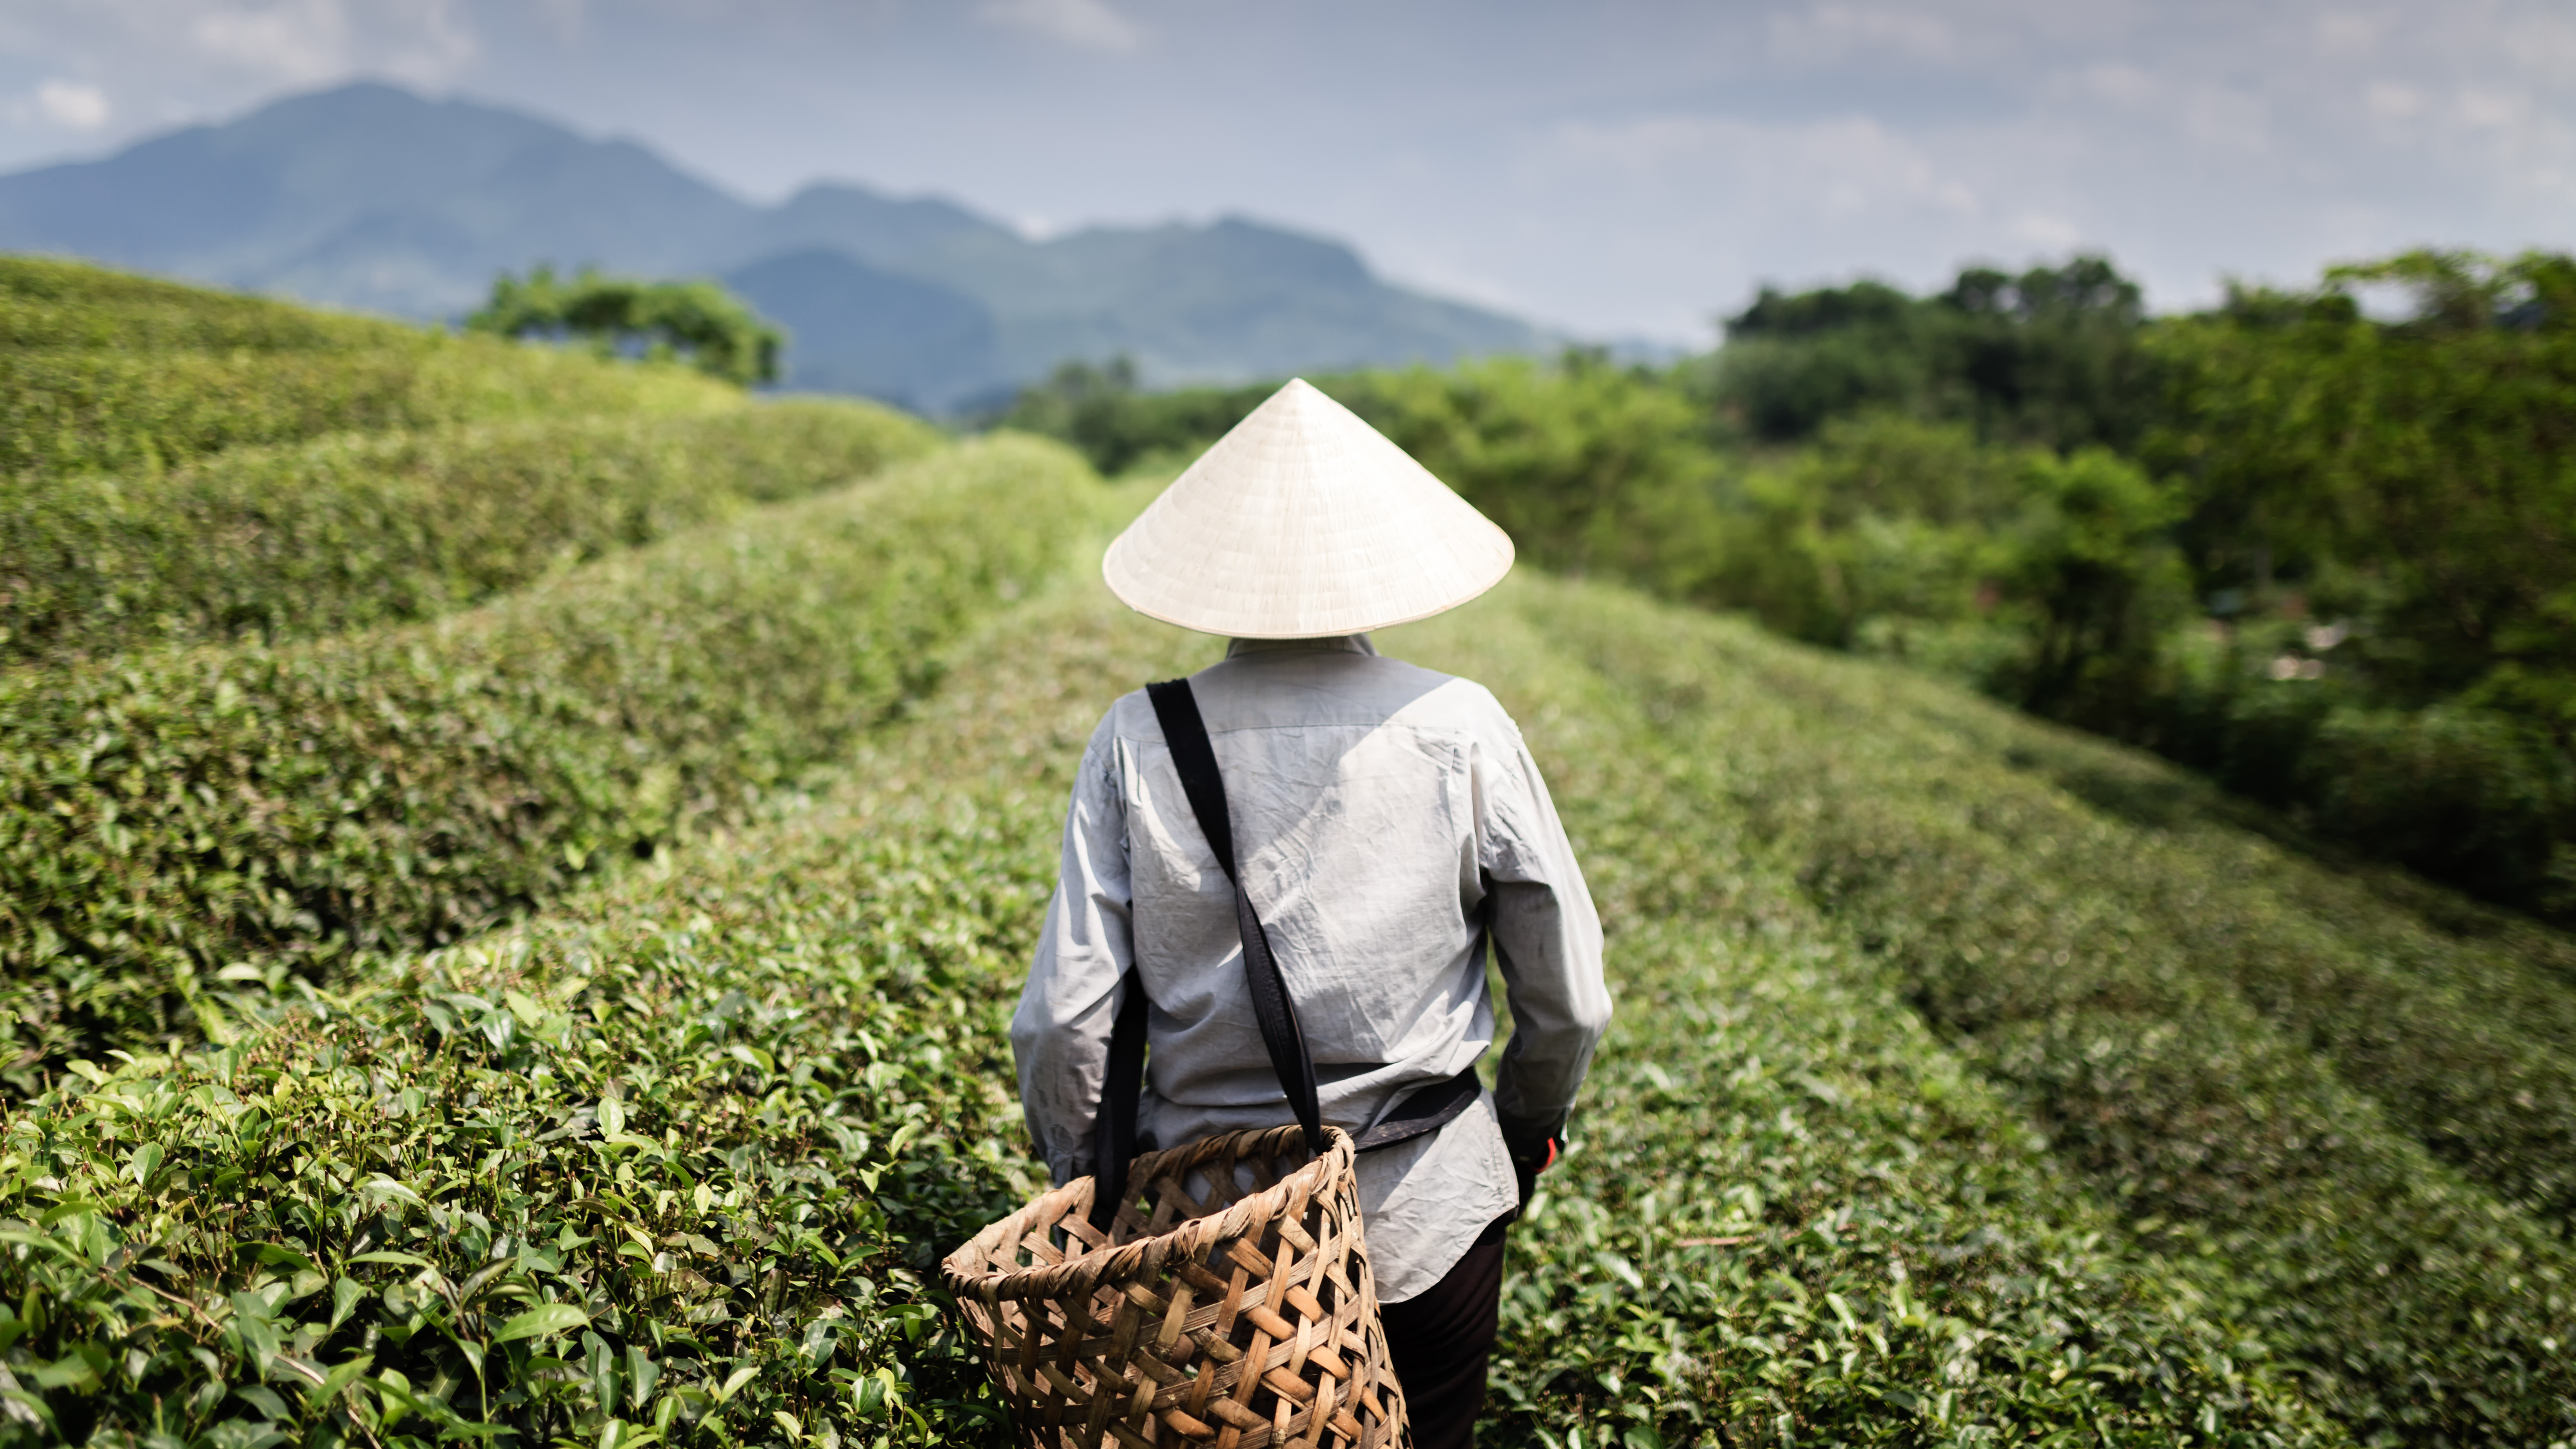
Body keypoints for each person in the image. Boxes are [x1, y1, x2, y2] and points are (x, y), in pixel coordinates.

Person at [1011, 378, 1612, 1449]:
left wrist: (1087, 1182)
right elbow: (1565, 999)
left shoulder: (1137, 735)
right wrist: (1523, 1134)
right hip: (1425, 1207)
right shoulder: (1459, 725)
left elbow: (1062, 1019)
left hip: (1208, 1227)